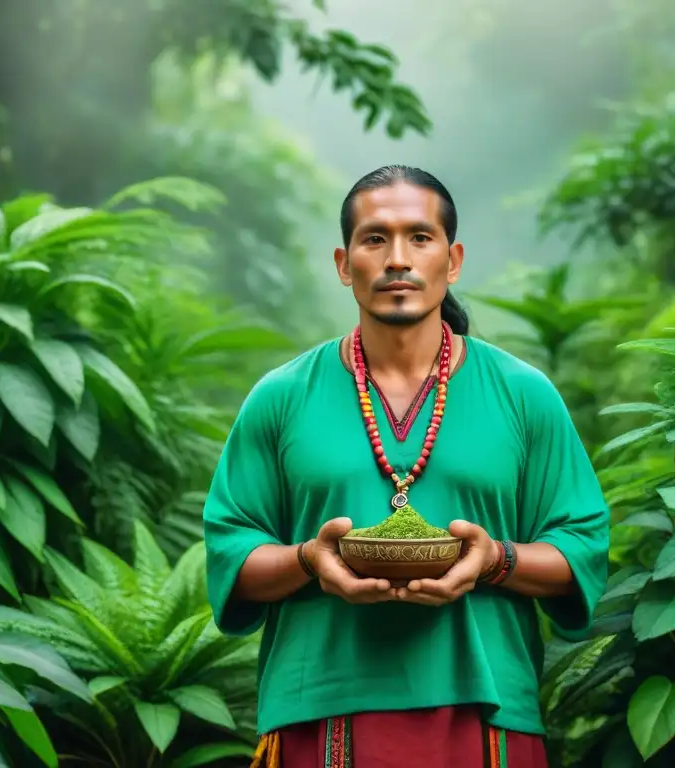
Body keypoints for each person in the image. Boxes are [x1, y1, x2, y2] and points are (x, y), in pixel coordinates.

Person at [203, 165, 610, 768]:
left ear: (454, 258)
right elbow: (232, 556)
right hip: (321, 710)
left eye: (420, 237)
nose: (398, 259)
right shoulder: (281, 396)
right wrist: (311, 560)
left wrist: (493, 560)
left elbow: (581, 546)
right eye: (375, 239)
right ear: (344, 264)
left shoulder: (524, 394)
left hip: (486, 713)